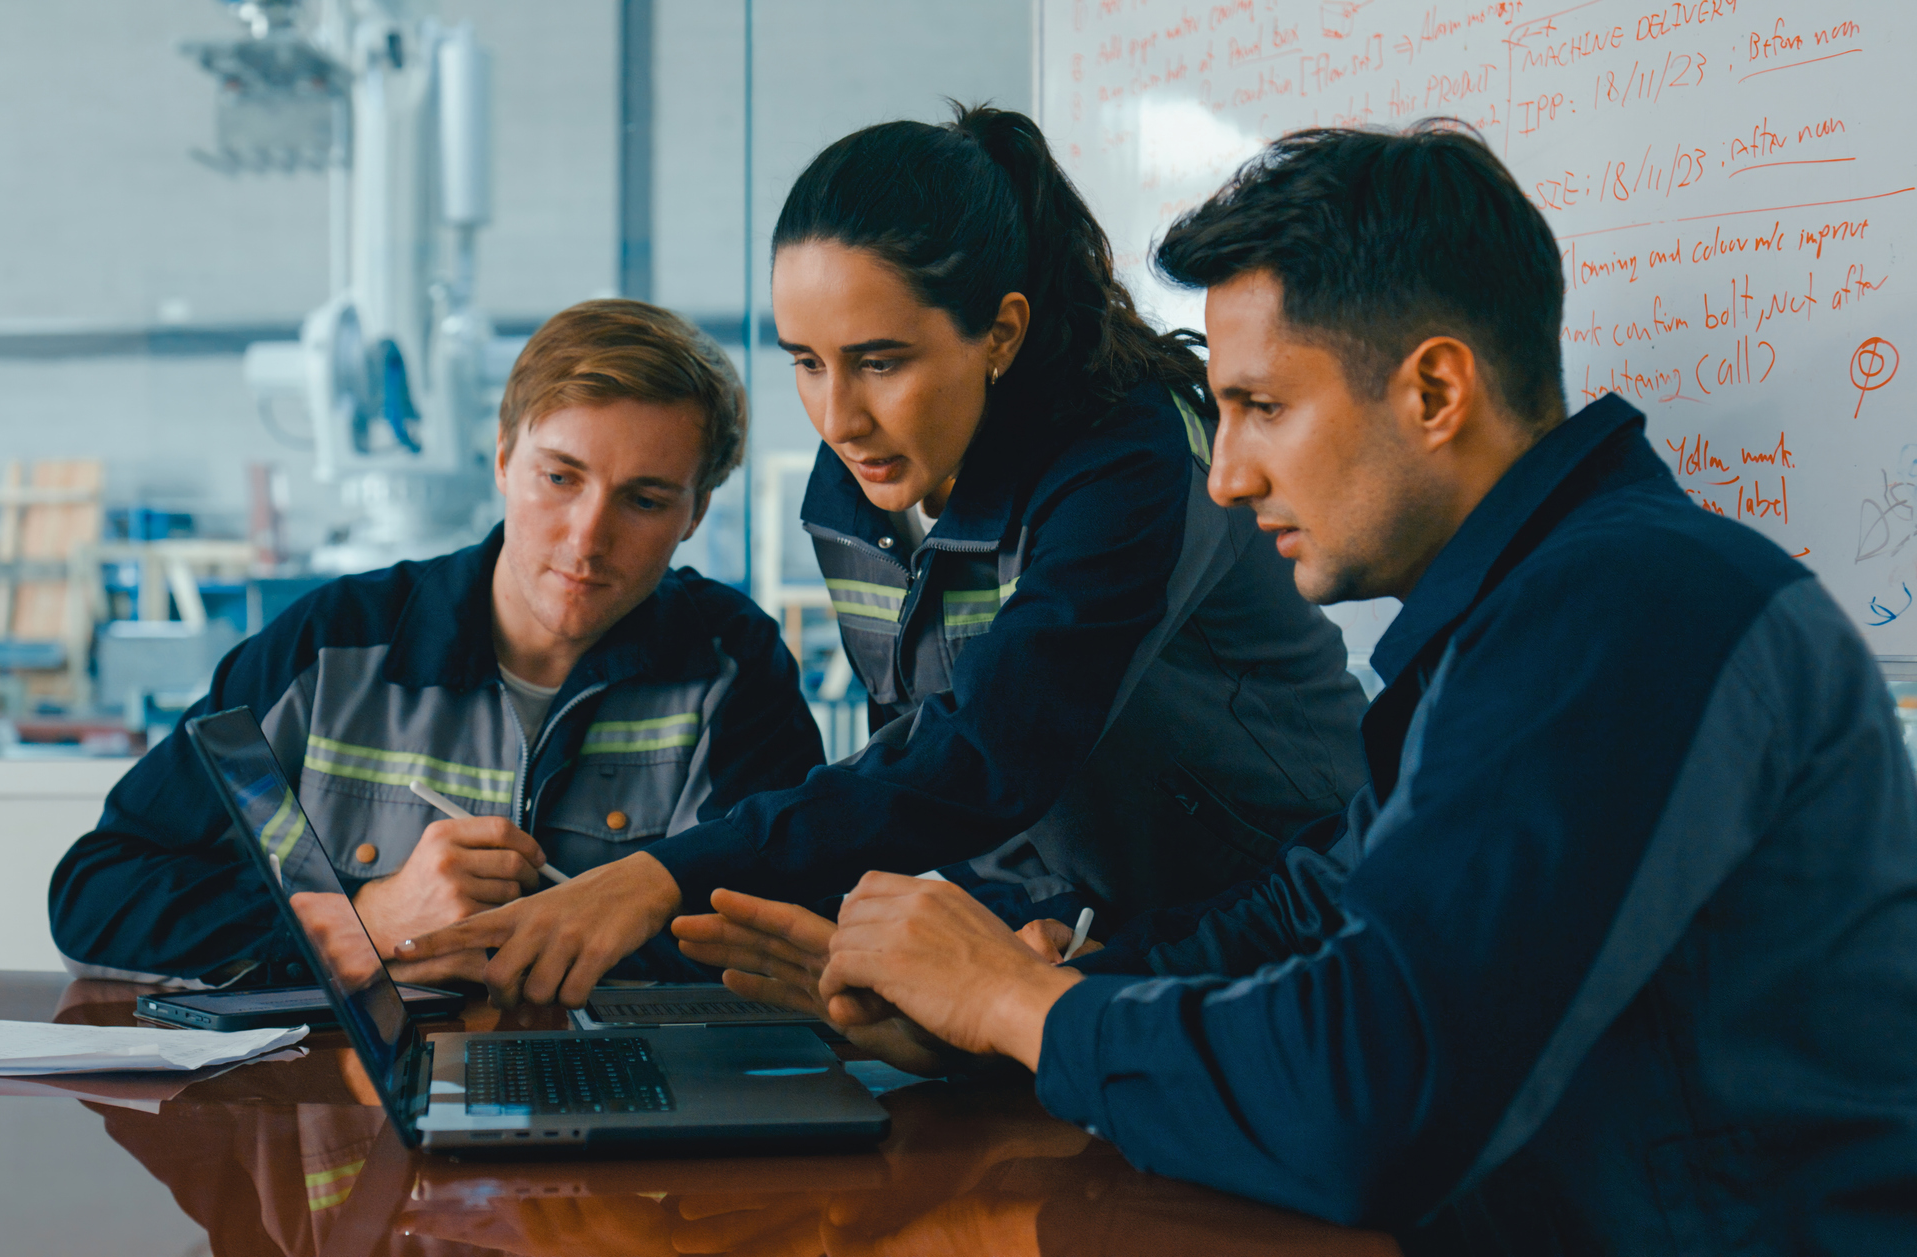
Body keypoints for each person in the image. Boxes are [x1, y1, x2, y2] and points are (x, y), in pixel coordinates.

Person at [677, 123, 1917, 1251]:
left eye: (1262, 406)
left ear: (1434, 389)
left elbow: (1382, 1094)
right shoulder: (1513, 620)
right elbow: (1323, 910)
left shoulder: (1628, 608)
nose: (1228, 474)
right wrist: (996, 1008)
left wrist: (1025, 1006)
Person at [402, 104, 1368, 1008]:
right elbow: (923, 751)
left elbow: (995, 747)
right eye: (807, 362)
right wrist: (992, 932)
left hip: (1295, 915)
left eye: (880, 361)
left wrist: (662, 874)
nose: (838, 417)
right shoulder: (860, 481)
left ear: (1001, 332)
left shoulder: (1134, 461)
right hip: (1095, 952)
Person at [47, 299, 824, 988]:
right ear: (501, 459)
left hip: (624, 1119)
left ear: (695, 513)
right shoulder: (330, 645)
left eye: (645, 500)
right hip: (350, 1125)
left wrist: (501, 937)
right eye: (560, 478)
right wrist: (366, 923)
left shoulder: (732, 666)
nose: (588, 540)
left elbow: (777, 941)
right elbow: (98, 895)